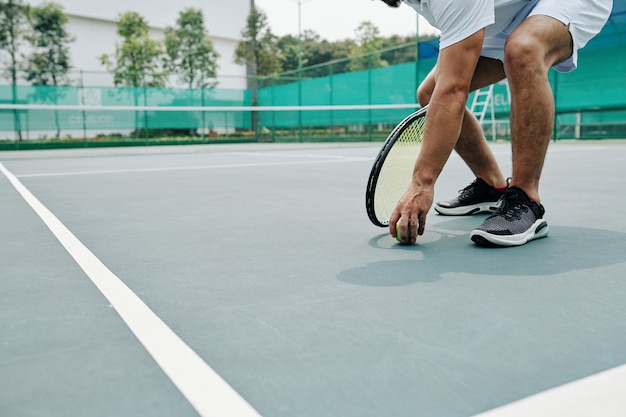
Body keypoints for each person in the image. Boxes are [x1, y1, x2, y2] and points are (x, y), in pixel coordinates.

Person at [378, 0, 612, 247]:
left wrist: (421, 183)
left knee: (524, 49)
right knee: (430, 92)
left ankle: (526, 199)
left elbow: (454, 90)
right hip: (512, 12)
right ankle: (492, 185)